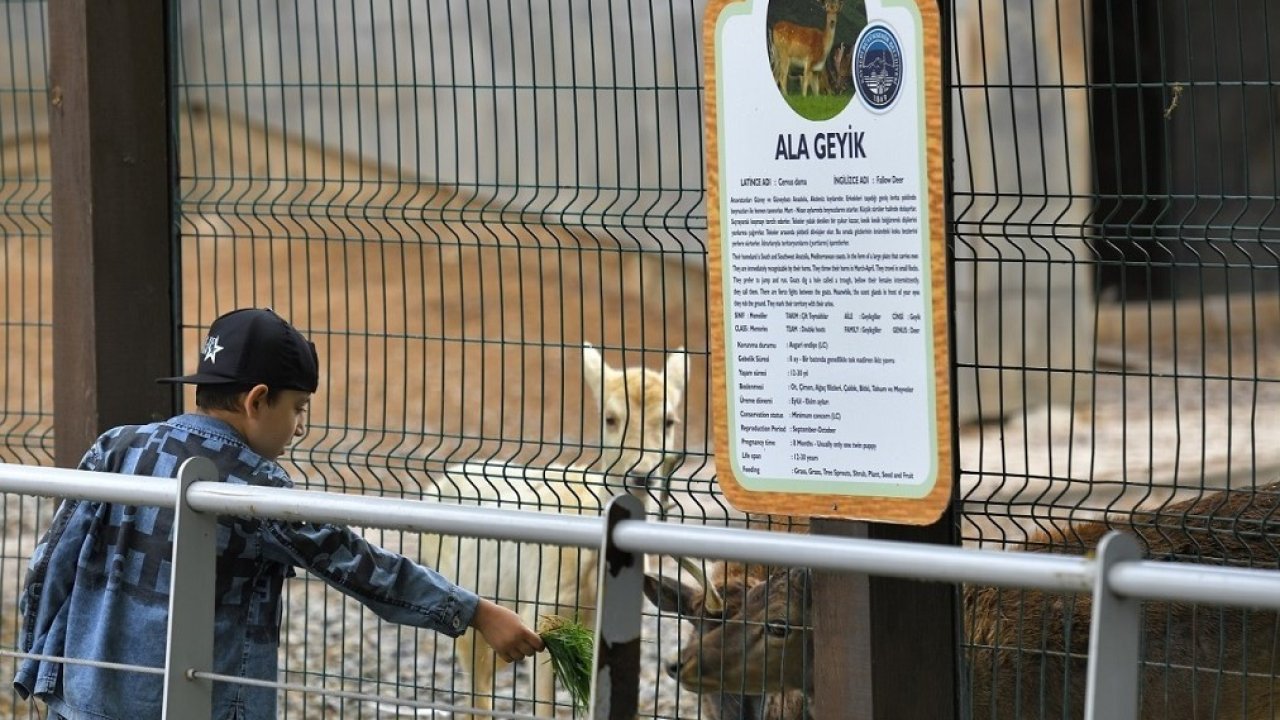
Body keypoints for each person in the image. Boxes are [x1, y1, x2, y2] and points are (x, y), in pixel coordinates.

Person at [13, 307, 543, 719]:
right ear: (257, 400)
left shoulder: (118, 447)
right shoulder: (256, 486)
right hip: (199, 705)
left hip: (84, 693)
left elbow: (51, 563)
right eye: (297, 409)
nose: (297, 427)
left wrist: (36, 662)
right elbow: (361, 566)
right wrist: (474, 612)